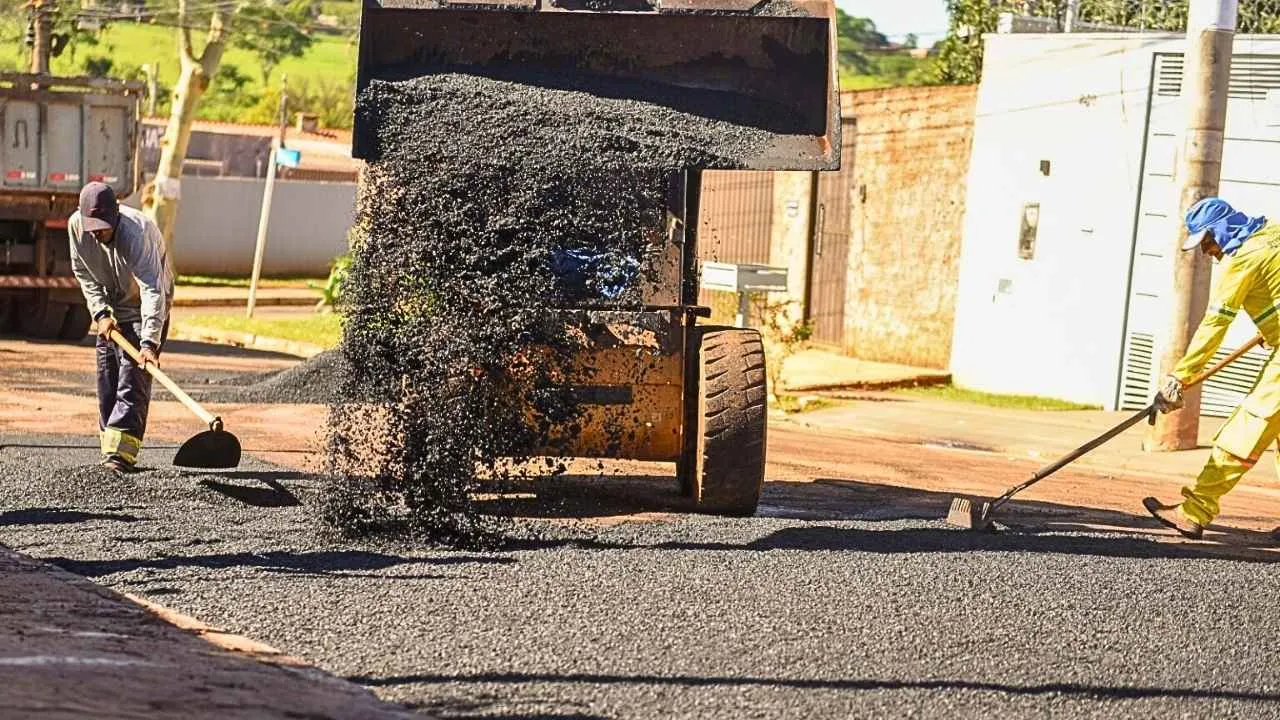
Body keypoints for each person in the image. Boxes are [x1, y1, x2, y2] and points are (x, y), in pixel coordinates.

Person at [1146, 196, 1278, 539]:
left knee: (1243, 432)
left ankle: (1194, 511)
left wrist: (1180, 377)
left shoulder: (1242, 260)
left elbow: (1214, 325)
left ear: (1221, 229)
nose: (1207, 251)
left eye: (1207, 240)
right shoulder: (1274, 234)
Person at [68, 181, 175, 473]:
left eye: (102, 228)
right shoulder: (77, 227)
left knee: (132, 380)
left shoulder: (136, 233)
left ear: (116, 213)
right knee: (107, 380)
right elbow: (82, 271)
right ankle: (109, 453)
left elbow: (153, 290)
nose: (96, 233)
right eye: (92, 227)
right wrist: (100, 312)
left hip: (144, 310)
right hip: (112, 313)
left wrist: (149, 343)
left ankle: (121, 458)